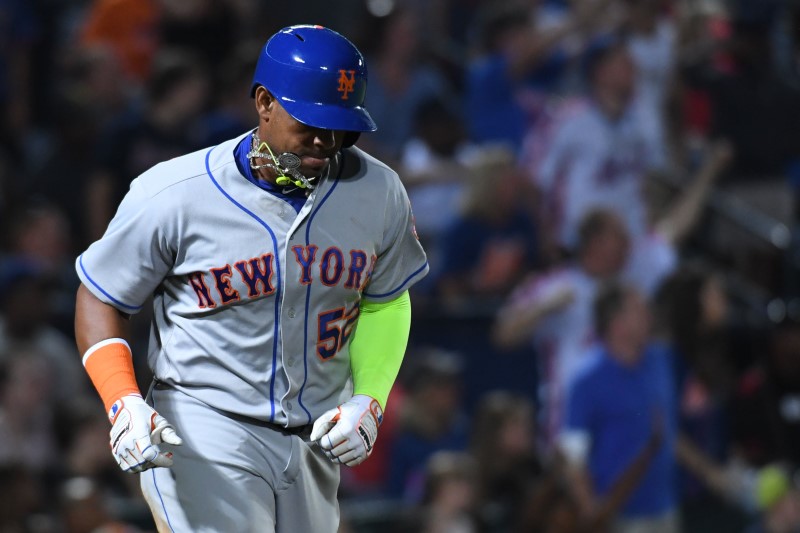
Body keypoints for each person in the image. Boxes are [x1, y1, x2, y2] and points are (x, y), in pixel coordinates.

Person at [73, 24, 428, 532]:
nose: (326, 142)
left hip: (313, 442)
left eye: (342, 128)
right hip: (204, 429)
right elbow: (100, 295)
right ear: (264, 102)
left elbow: (386, 301)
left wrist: (369, 397)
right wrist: (121, 399)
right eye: (311, 124)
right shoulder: (176, 193)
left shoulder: (378, 190)